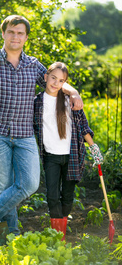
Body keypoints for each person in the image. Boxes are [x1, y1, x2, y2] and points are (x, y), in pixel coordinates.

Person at [0, 15, 83, 239]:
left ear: (26, 37)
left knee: (29, 184)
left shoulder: (33, 65)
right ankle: (11, 233)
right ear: (3, 33)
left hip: (24, 134)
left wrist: (74, 91)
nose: (15, 36)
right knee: (3, 187)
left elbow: (55, 80)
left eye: (20, 33)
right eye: (11, 32)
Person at [33, 62, 103, 240]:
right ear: (45, 77)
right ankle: (57, 236)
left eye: (61, 80)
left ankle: (61, 233)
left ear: (65, 83)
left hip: (72, 156)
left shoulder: (70, 101)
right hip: (50, 157)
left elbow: (83, 127)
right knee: (52, 196)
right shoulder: (36, 103)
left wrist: (93, 147)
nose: (56, 83)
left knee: (67, 197)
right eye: (53, 78)